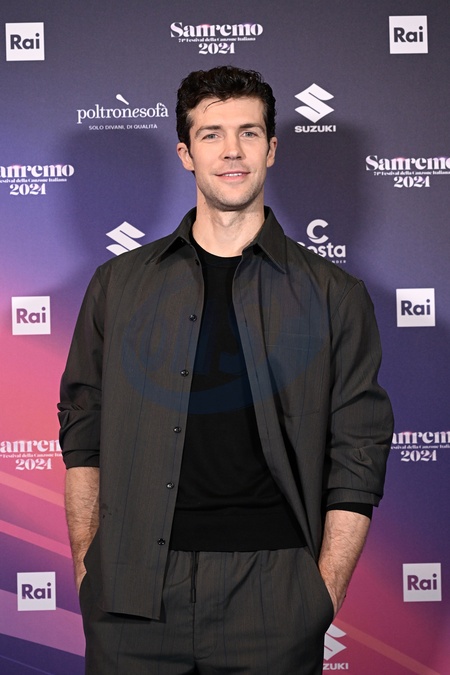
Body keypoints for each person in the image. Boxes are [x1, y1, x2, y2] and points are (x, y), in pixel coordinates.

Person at [58, 65, 393, 675]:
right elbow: (84, 430)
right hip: (131, 593)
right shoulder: (118, 286)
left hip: (274, 592)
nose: (232, 151)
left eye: (249, 132)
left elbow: (358, 451)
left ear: (272, 148)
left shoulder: (333, 295)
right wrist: (87, 563)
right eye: (211, 134)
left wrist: (322, 593)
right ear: (186, 154)